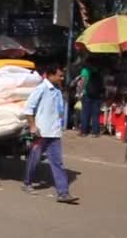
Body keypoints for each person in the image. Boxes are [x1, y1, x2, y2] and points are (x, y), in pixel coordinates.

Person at [22, 65, 79, 204]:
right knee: (34, 159)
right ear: (50, 75)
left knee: (57, 162)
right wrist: (33, 127)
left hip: (54, 133)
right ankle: (27, 183)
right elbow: (28, 109)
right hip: (41, 132)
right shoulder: (41, 89)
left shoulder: (58, 91)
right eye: (59, 75)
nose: (62, 78)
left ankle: (63, 193)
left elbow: (58, 110)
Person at [79, 59, 104, 137]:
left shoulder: (85, 70)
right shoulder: (99, 71)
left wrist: (79, 92)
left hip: (87, 94)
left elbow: (82, 82)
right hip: (97, 95)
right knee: (95, 114)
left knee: (85, 113)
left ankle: (84, 132)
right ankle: (95, 132)